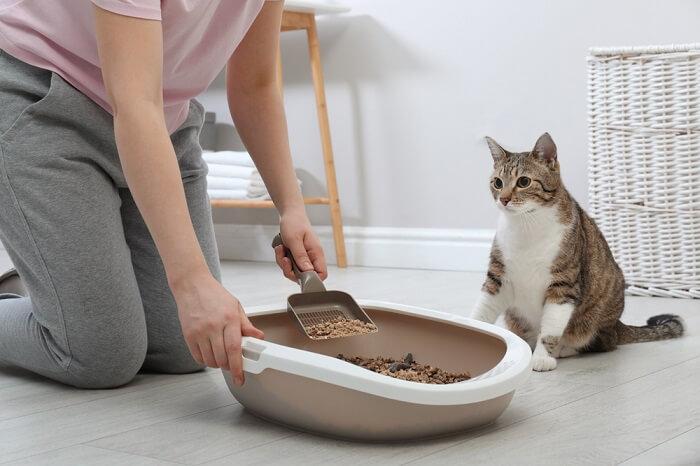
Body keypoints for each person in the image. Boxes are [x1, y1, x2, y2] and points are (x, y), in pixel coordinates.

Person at [0, 0, 327, 389]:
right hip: (43, 101)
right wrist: (191, 282)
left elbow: (256, 85)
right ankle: (62, 294)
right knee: (100, 355)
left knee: (185, 349)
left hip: (163, 124)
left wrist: (291, 208)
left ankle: (58, 288)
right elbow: (134, 104)